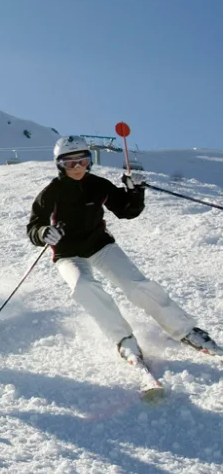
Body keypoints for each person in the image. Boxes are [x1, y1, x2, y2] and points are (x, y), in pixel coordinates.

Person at [27, 136, 220, 367]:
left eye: (83, 161)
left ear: (90, 161)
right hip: (67, 253)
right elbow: (34, 227)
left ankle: (185, 330)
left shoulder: (98, 185)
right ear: (60, 165)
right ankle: (123, 339)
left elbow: (126, 211)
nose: (77, 167)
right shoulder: (51, 192)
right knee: (83, 287)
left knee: (135, 284)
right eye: (70, 163)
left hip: (100, 245)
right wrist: (43, 233)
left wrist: (135, 191)